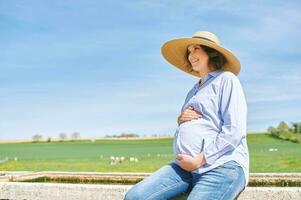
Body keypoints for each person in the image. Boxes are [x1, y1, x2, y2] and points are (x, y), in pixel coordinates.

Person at [124, 31, 249, 200]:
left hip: (222, 166)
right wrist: (180, 120)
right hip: (185, 169)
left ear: (211, 52)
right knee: (135, 197)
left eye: (196, 49)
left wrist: (200, 159)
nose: (191, 55)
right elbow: (199, 121)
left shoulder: (226, 80)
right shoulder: (193, 91)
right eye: (189, 51)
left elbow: (234, 130)